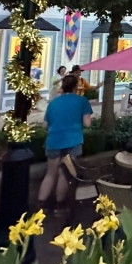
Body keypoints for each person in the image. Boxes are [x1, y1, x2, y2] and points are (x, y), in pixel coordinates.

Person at [38, 75, 93, 207]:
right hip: (72, 142)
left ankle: (40, 205)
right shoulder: (82, 101)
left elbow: (45, 125)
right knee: (64, 174)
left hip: (53, 141)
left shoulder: (53, 102)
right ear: (75, 87)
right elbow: (87, 123)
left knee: (50, 174)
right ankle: (59, 206)